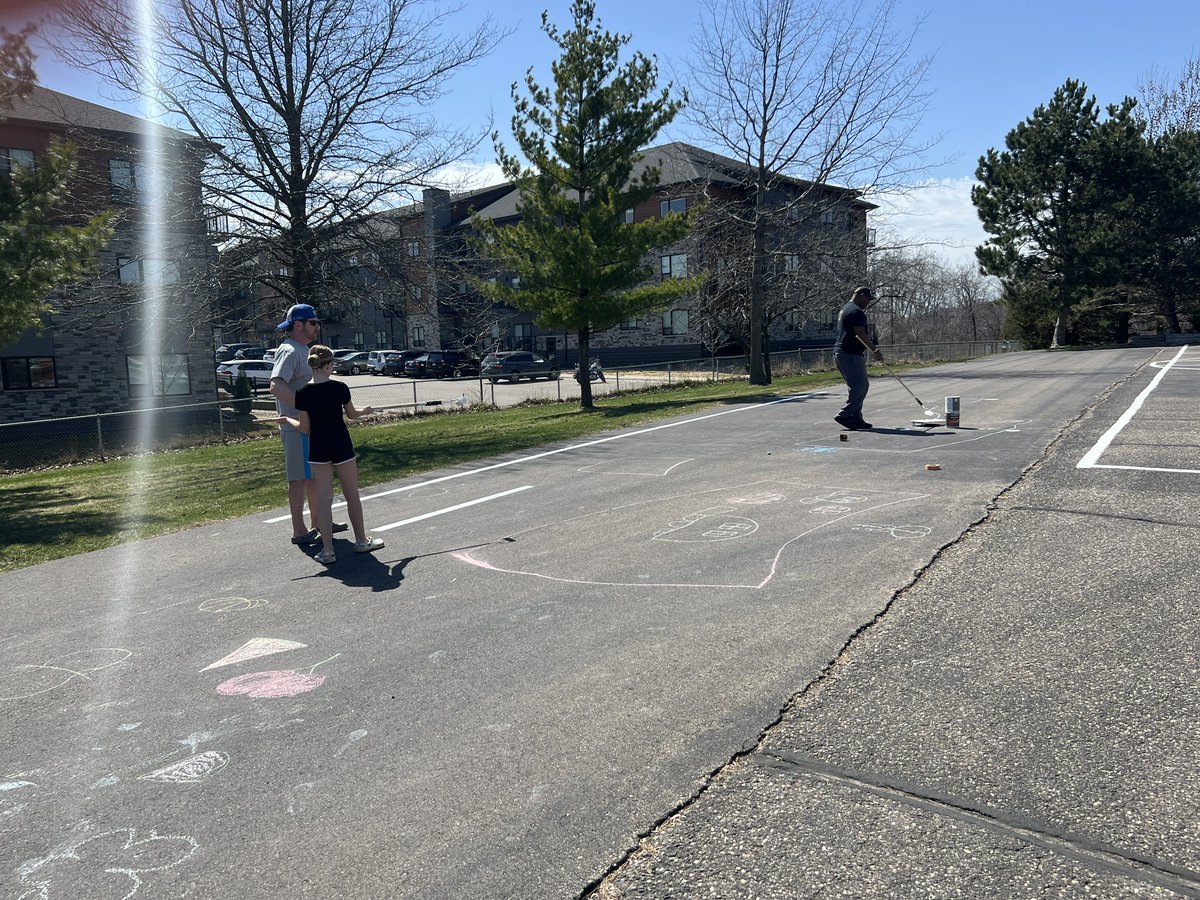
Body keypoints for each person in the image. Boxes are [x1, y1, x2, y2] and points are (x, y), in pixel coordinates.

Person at [275, 344, 384, 565]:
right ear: (329, 365)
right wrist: (366, 411)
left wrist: (288, 420)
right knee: (352, 494)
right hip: (341, 444)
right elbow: (352, 415)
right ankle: (361, 541)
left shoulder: (303, 393)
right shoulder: (340, 387)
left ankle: (327, 551)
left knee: (324, 500)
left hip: (318, 447)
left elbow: (304, 428)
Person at [268, 303, 347, 545]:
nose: (317, 327)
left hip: (310, 428)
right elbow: (276, 385)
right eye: (313, 323)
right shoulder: (290, 351)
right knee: (298, 479)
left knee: (314, 476)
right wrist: (305, 405)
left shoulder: (304, 350)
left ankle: (320, 522)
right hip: (295, 428)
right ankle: (300, 530)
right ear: (298, 325)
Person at [833, 286, 884, 430]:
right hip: (849, 354)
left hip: (844, 353)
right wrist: (875, 350)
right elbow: (860, 334)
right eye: (867, 299)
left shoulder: (845, 309)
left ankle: (856, 417)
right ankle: (844, 415)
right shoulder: (856, 312)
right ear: (860, 295)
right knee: (860, 386)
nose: (868, 302)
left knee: (858, 387)